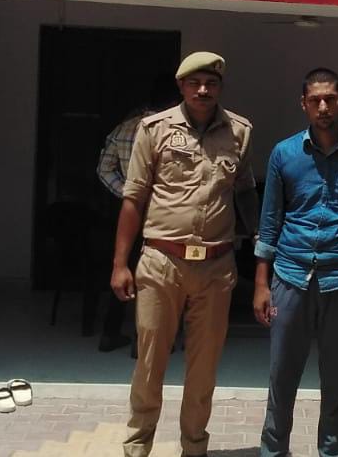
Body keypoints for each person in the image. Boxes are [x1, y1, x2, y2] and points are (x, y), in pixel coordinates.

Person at [110, 51, 257, 457]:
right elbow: (134, 198)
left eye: (211, 83)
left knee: (204, 368)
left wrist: (259, 238)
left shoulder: (240, 131)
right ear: (181, 86)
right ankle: (137, 446)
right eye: (195, 83)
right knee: (150, 363)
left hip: (215, 266)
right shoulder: (153, 129)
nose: (203, 90)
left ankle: (194, 447)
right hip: (161, 263)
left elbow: (244, 189)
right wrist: (120, 264)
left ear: (220, 87)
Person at [253, 67, 338, 457]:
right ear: (304, 104)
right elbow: (270, 221)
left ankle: (331, 452)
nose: (323, 107)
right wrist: (260, 284)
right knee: (282, 375)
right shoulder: (285, 153)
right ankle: (273, 451)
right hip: (290, 276)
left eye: (330, 99)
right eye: (315, 100)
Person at [96, 75, 177, 353]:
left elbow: (104, 168)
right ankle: (143, 340)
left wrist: (127, 193)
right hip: (162, 213)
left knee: (122, 269)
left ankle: (110, 332)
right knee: (155, 276)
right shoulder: (171, 130)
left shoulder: (125, 127)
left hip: (127, 212)